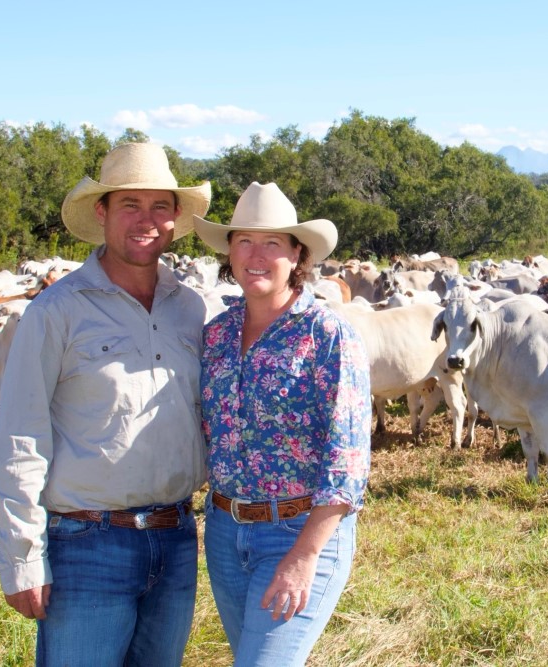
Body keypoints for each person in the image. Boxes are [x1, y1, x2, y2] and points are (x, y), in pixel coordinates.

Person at [0, 142, 212, 667]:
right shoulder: (57, 310)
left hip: (176, 536)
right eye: (129, 205)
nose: (146, 220)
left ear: (175, 217)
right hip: (87, 543)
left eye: (160, 206)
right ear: (102, 212)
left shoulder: (190, 307)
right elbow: (20, 433)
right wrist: (22, 559)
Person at [193, 182, 372, 666]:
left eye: (272, 242)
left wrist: (304, 555)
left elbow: (348, 460)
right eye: (244, 240)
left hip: (297, 531)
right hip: (226, 532)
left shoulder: (327, 335)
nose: (256, 254)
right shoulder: (216, 335)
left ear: (298, 254)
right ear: (228, 251)